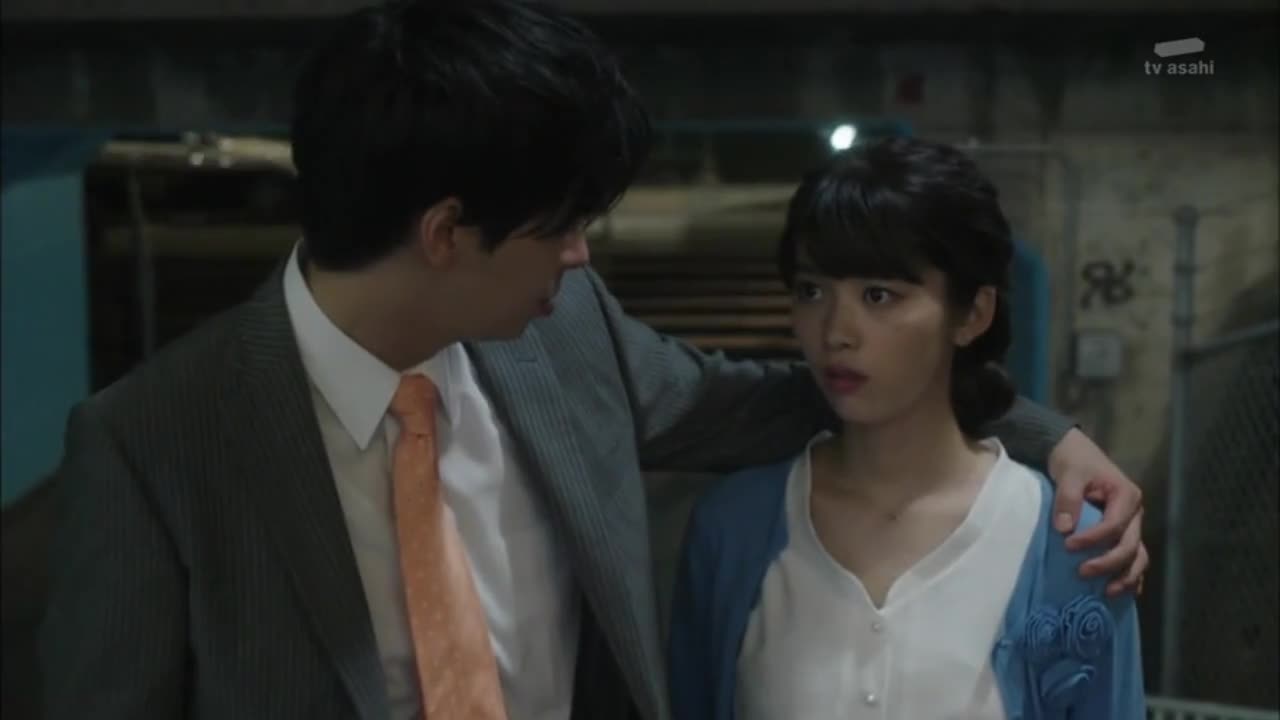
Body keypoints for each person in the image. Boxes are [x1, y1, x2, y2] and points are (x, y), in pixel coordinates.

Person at [39, 2, 1147, 719]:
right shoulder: (154, 445)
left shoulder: (563, 340)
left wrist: (1049, 440)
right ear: (445, 232)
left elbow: (810, 396)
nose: (581, 255)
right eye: (562, 224)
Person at [667, 137, 1146, 720]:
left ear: (973, 314)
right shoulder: (732, 526)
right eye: (811, 291)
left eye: (879, 296)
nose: (836, 331)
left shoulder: (1070, 545)